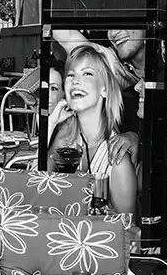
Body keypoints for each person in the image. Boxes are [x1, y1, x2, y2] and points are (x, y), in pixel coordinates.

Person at [47, 42, 138, 214]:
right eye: (71, 75)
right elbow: (34, 187)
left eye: (87, 74)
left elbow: (127, 229)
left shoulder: (115, 157)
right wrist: (51, 123)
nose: (76, 82)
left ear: (105, 89)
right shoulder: (63, 141)